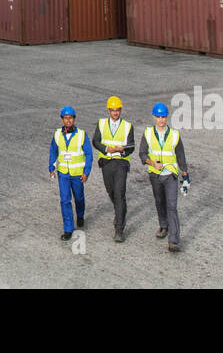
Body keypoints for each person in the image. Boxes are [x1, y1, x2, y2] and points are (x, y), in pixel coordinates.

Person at [141, 101, 190, 252]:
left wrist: (185, 175)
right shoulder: (148, 133)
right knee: (159, 202)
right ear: (154, 117)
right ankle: (163, 226)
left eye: (163, 117)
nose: (161, 120)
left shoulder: (175, 135)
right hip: (155, 175)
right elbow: (142, 154)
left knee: (172, 206)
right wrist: (152, 163)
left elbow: (180, 156)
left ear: (167, 117)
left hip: (170, 175)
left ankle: (174, 240)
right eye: (158, 117)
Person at [91, 96, 135, 243]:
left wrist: (123, 150)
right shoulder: (102, 124)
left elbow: (131, 146)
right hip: (106, 162)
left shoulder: (128, 126)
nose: (115, 113)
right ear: (109, 110)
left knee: (119, 192)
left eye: (117, 110)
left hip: (121, 163)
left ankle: (119, 229)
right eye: (113, 110)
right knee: (111, 191)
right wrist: (106, 149)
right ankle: (120, 210)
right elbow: (95, 141)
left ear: (120, 110)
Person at [48, 105, 93, 241]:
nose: (68, 120)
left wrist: (86, 172)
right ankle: (68, 228)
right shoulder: (57, 134)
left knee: (79, 197)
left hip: (77, 174)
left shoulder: (81, 135)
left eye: (70, 118)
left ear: (74, 119)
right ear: (62, 119)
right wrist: (51, 167)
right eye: (66, 118)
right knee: (65, 200)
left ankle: (80, 214)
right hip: (63, 174)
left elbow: (89, 154)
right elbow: (53, 151)